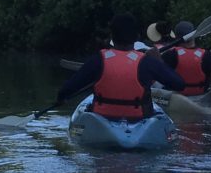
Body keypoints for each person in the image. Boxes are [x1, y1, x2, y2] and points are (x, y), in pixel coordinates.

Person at [57, 13, 187, 120]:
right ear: (136, 37)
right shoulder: (147, 62)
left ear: (112, 36)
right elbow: (179, 84)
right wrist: (159, 62)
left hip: (103, 119)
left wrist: (61, 98)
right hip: (138, 119)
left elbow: (66, 90)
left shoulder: (98, 60)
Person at [160, 19, 211, 95]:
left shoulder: (169, 54)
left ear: (176, 36)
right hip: (199, 98)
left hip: (174, 97)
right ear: (194, 35)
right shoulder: (206, 56)